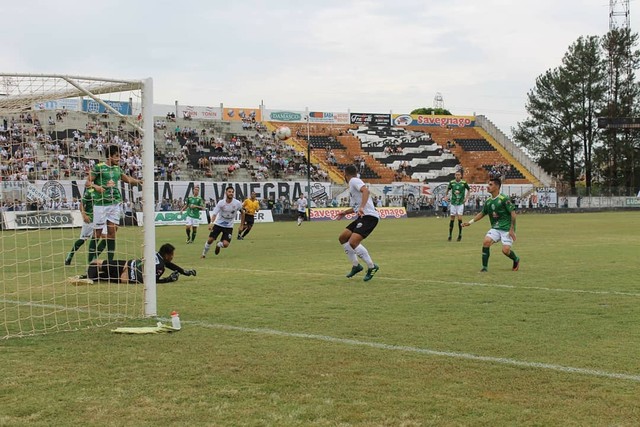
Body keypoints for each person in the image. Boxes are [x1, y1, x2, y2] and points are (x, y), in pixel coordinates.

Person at [86, 144, 143, 262]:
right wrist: (96, 187)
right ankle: (90, 263)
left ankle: (110, 263)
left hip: (115, 203)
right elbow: (87, 183)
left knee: (112, 233)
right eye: (117, 156)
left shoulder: (118, 169)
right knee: (97, 233)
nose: (119, 158)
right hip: (101, 204)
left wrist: (139, 181)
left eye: (120, 156)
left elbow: (128, 180)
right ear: (110, 156)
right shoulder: (99, 167)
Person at [462, 177, 519, 272]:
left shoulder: (504, 199)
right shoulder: (488, 201)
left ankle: (516, 259)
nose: (488, 187)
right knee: (486, 242)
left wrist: (512, 229)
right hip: (496, 228)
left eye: (490, 184)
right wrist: (470, 222)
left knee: (505, 251)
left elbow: (513, 214)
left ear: (497, 186)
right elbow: (482, 213)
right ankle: (484, 267)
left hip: (506, 229)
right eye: (488, 184)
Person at [335, 165, 380, 282]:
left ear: (345, 174)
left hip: (369, 216)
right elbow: (355, 206)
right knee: (343, 237)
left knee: (353, 242)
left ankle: (372, 266)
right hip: (362, 216)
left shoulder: (354, 180)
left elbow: (366, 190)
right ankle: (356, 265)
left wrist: (362, 207)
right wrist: (344, 212)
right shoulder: (352, 185)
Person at [84, 243, 196, 284]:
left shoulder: (155, 254)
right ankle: (88, 279)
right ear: (167, 255)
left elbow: (170, 264)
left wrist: (184, 272)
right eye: (172, 254)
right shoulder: (161, 266)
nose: (173, 257)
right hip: (128, 276)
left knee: (96, 263)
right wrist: (168, 279)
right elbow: (153, 280)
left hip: (126, 264)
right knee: (103, 277)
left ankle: (87, 277)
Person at [64, 187, 106, 265]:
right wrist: (84, 215)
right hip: (90, 219)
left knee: (106, 238)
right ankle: (70, 256)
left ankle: (94, 257)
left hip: (101, 219)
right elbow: (82, 204)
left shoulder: (106, 189)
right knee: (82, 239)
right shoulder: (90, 190)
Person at [201, 186, 243, 258]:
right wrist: (211, 223)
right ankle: (203, 254)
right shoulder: (221, 203)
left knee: (226, 244)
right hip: (218, 224)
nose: (231, 193)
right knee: (210, 240)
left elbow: (243, 212)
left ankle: (218, 245)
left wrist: (241, 225)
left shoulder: (237, 203)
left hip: (229, 226)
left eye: (232, 192)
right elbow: (214, 214)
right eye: (229, 192)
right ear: (225, 193)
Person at [445, 171, 471, 241]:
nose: (457, 176)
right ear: (454, 176)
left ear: (461, 176)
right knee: (452, 219)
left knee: (459, 219)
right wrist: (446, 196)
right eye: (456, 175)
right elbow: (447, 189)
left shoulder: (464, 183)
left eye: (458, 175)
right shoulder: (452, 182)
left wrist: (466, 198)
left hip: (460, 203)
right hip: (453, 203)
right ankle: (450, 235)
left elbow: (469, 190)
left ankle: (460, 234)